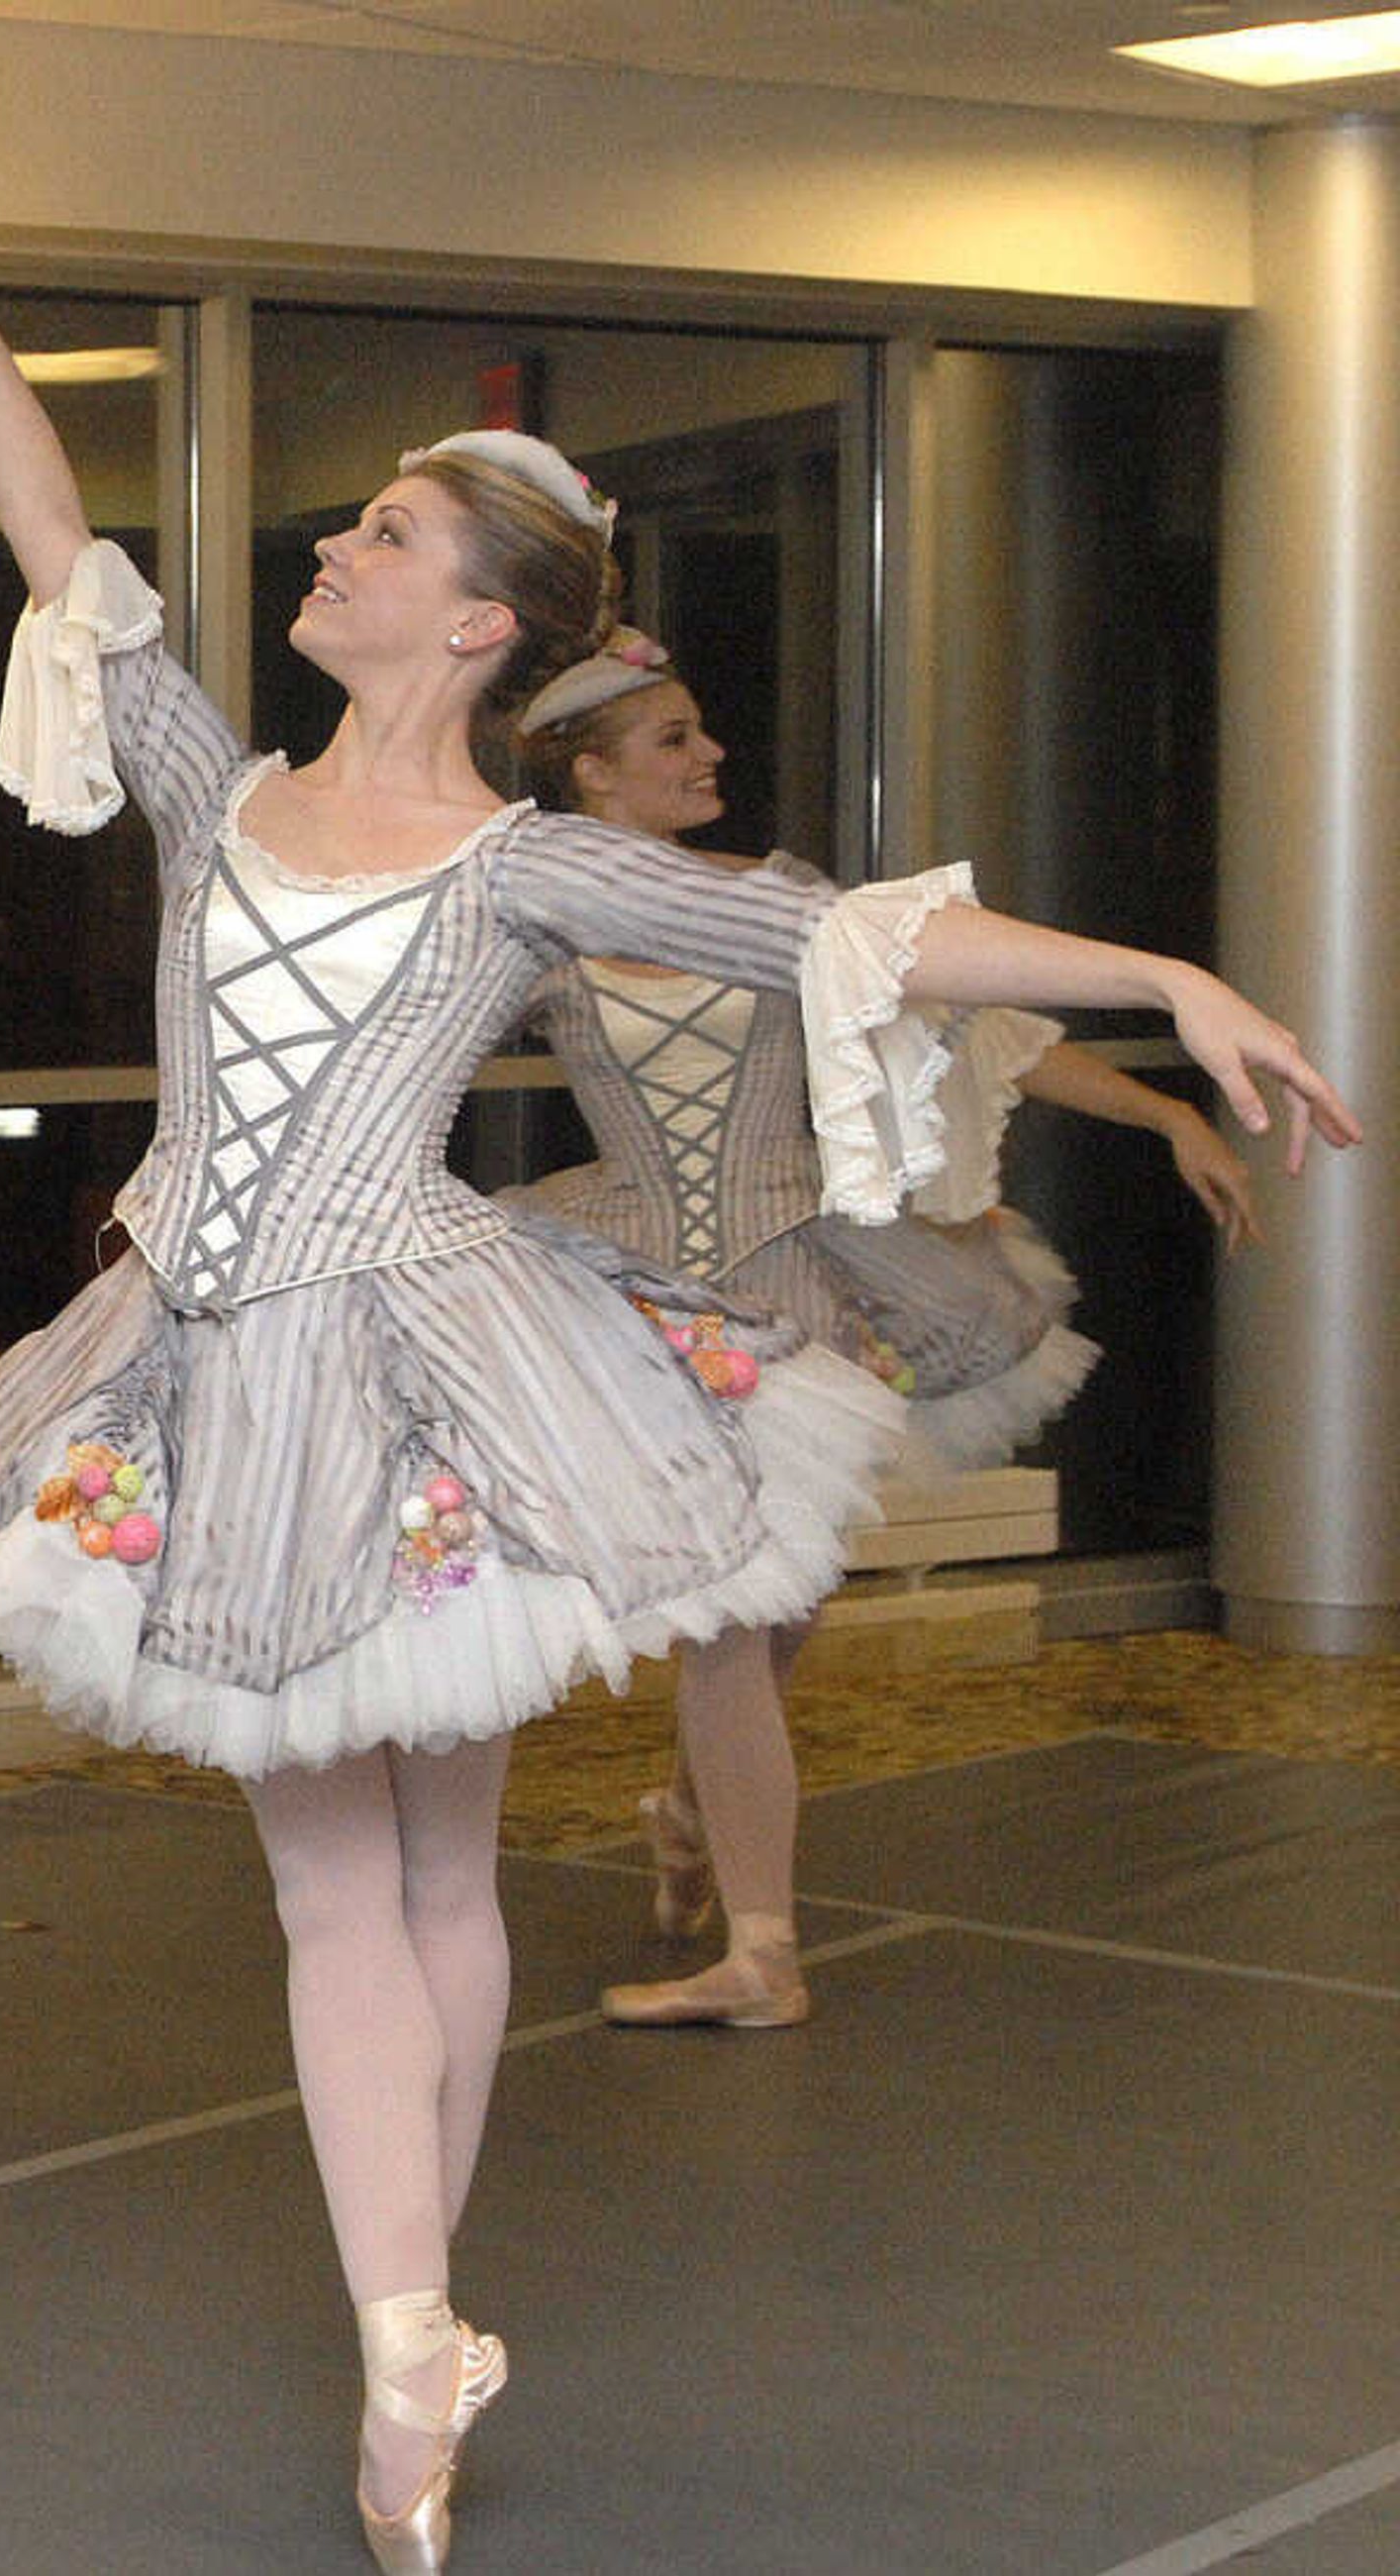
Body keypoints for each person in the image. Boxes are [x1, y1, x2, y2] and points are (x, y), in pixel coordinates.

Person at [0, 105, 1355, 2574]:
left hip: (435, 1360)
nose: (332, 547)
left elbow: (874, 942)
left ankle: (414, 2326)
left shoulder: (542, 864)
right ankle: (408, 2338)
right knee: (340, 1886)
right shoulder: (213, 785)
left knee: (431, 1871)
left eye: (380, 534)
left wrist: (1156, 970)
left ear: (479, 619)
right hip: (206, 1354)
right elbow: (49, 541)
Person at [507, 634, 1257, 2030]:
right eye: (672, 739)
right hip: (641, 1285)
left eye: (699, 730)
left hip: (800, 1273)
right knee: (734, 1616)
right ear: (593, 778)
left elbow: (977, 1016)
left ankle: (689, 1809)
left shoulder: (787, 904)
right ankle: (763, 1949)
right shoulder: (535, 935)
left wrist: (1165, 1111)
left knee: (776, 1601)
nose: (709, 753)